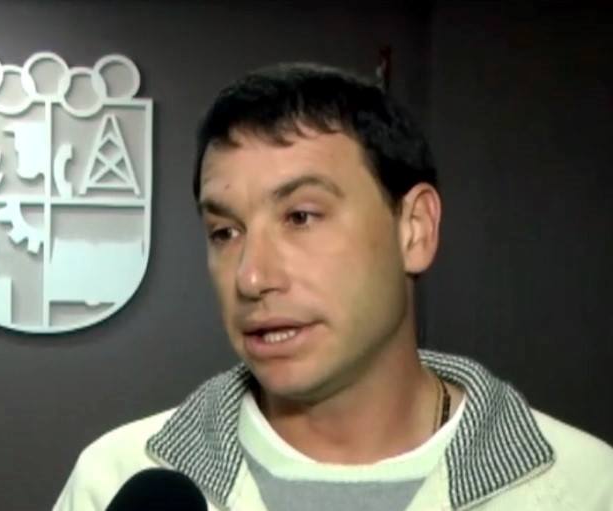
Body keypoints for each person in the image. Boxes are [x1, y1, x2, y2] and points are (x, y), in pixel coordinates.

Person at [53, 63, 613, 511]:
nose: (252, 277)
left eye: (301, 217)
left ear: (414, 229)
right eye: (225, 232)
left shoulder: (588, 489)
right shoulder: (118, 480)